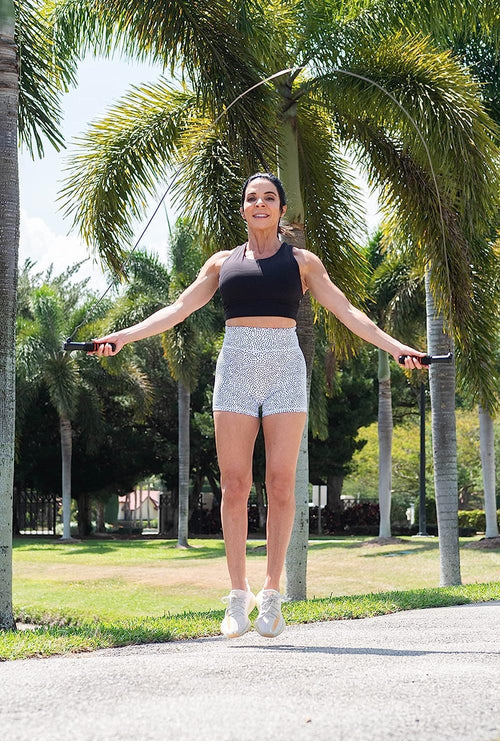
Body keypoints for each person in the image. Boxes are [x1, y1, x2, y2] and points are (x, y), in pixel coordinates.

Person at [92, 172, 427, 639]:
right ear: (244, 209)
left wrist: (397, 348)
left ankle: (271, 596)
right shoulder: (222, 263)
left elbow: (348, 311)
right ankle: (236, 594)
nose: (260, 204)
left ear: (281, 209)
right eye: (252, 198)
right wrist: (122, 338)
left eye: (269, 197)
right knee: (234, 483)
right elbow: (177, 309)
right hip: (236, 369)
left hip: (286, 368)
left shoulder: (303, 263)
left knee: (282, 483)